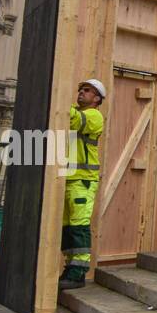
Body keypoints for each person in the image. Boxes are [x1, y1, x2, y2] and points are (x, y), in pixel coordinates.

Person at [59, 79, 105, 290]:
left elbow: (74, 120)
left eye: (87, 91)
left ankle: (77, 273)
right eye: (80, 90)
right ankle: (70, 268)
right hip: (70, 179)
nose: (81, 93)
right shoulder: (77, 113)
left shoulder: (94, 116)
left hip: (83, 180)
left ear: (97, 99)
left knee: (79, 225)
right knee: (69, 227)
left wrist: (58, 99)